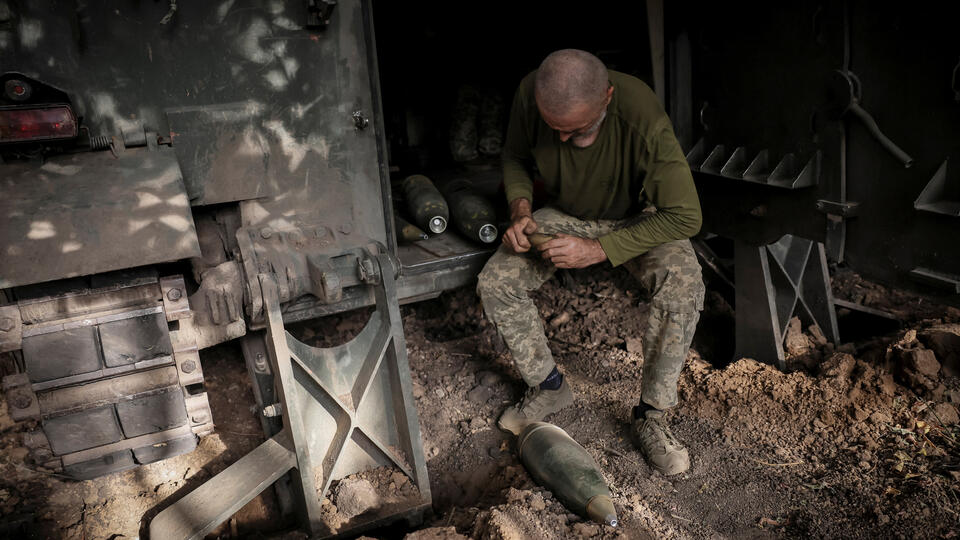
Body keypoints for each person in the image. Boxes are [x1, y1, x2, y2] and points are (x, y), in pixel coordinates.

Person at [476, 49, 705, 476]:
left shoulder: (642, 116)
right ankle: (547, 386)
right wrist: (521, 210)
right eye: (553, 130)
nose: (562, 141)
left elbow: (687, 215)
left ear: (607, 98)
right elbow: (515, 158)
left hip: (637, 219)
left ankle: (652, 416)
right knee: (497, 280)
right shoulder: (532, 94)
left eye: (577, 131)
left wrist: (600, 250)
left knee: (683, 283)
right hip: (567, 215)